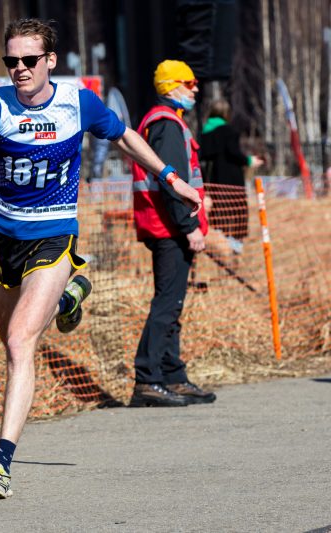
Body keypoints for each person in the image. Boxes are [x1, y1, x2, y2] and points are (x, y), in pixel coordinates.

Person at [0, 19, 202, 499]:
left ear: (49, 60)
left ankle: (0, 463)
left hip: (53, 235)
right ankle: (70, 296)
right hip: (2, 239)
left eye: (29, 60)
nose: (20, 69)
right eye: (12, 61)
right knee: (10, 337)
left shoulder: (77, 103)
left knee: (19, 344)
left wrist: (170, 177)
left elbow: (126, 136)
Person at [129, 59, 217, 408]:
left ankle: (172, 375)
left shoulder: (168, 122)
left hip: (168, 225)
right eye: (190, 83)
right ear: (172, 86)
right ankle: (148, 379)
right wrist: (189, 226)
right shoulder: (165, 124)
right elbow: (173, 184)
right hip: (169, 227)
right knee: (167, 303)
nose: (195, 89)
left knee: (173, 302)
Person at [199, 98, 264, 254]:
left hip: (212, 179)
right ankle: (235, 243)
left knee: (217, 208)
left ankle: (216, 238)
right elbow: (234, 153)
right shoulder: (229, 131)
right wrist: (249, 160)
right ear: (226, 114)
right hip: (231, 178)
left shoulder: (204, 132)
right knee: (236, 208)